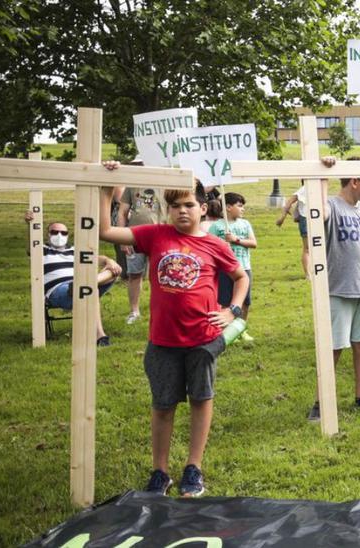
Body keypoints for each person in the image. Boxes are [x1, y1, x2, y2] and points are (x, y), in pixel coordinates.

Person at [97, 169, 248, 499]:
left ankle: (193, 467)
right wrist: (107, 188)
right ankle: (160, 472)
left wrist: (232, 310)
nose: (183, 211)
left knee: (200, 399)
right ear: (168, 210)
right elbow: (106, 231)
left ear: (203, 209)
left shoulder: (214, 244)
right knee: (163, 405)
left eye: (189, 205)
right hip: (163, 341)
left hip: (202, 341)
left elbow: (241, 278)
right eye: (176, 206)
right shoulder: (155, 235)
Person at [312, 152, 360, 420]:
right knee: (332, 347)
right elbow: (316, 208)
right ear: (355, 181)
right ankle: (321, 404)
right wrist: (322, 172)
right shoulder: (332, 206)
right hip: (339, 288)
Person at [27, 218, 119, 346]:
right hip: (58, 290)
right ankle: (100, 336)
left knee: (114, 271)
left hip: (78, 284)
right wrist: (29, 225)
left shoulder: (74, 251)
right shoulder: (41, 250)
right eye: (55, 232)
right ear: (48, 234)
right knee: (91, 290)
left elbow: (100, 259)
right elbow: (31, 245)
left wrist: (110, 261)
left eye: (63, 233)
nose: (59, 235)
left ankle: (86, 283)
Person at [208, 192, 256, 341]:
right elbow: (210, 246)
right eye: (240, 206)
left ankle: (241, 329)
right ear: (228, 207)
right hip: (226, 270)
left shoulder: (245, 224)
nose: (243, 209)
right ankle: (228, 332)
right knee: (226, 301)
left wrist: (236, 240)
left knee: (245, 302)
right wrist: (223, 245)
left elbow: (253, 243)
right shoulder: (217, 226)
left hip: (244, 267)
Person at [117, 184, 164, 324]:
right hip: (134, 237)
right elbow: (122, 213)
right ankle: (134, 311)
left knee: (161, 276)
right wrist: (122, 238)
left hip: (160, 236)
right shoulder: (133, 185)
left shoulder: (166, 183)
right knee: (134, 274)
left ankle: (161, 311)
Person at [274, 182, 310, 277]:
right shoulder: (304, 189)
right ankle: (308, 274)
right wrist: (282, 218)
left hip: (314, 219)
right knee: (307, 249)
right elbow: (289, 202)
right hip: (307, 219)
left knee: (311, 248)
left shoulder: (311, 188)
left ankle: (311, 273)